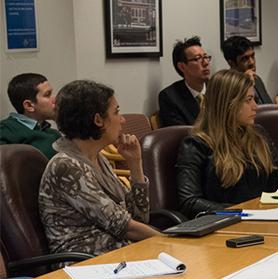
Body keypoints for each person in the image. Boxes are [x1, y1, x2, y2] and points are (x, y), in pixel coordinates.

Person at [39, 80, 158, 257]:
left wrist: (135, 164)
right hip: (85, 263)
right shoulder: (66, 166)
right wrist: (168, 240)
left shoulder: (98, 158)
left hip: (119, 254)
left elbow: (139, 218)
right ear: (97, 120)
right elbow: (124, 227)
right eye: (116, 112)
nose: (123, 119)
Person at [175, 70, 278, 218]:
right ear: (228, 104)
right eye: (248, 100)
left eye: (254, 99)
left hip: (267, 218)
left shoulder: (258, 134)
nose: (255, 106)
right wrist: (243, 211)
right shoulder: (196, 145)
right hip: (227, 225)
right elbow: (189, 202)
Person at [0, 72, 60, 158]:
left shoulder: (53, 134)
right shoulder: (6, 131)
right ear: (29, 106)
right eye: (47, 95)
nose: (55, 99)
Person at [158, 36, 212, 127]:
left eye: (206, 57)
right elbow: (179, 135)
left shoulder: (218, 88)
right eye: (197, 59)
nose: (206, 63)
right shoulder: (170, 97)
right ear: (182, 67)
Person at [222, 35, 272, 104]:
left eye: (252, 56)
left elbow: (270, 107)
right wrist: (243, 83)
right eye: (245, 59)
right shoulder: (226, 87)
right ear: (231, 63)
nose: (252, 62)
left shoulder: (257, 80)